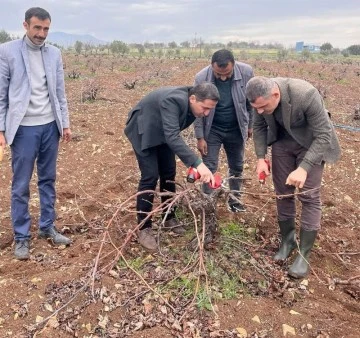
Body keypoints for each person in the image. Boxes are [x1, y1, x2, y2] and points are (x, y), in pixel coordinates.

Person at [245, 76, 341, 278]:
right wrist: (261, 158)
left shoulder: (305, 94)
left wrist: (304, 168)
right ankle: (288, 241)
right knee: (283, 193)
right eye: (256, 108)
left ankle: (304, 254)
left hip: (311, 143)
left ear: (276, 94)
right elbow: (260, 127)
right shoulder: (259, 101)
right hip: (282, 142)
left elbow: (324, 134)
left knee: (309, 196)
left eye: (263, 107)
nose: (259, 111)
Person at [0, 7, 72, 260]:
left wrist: (64, 123)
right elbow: (1, 94)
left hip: (49, 127)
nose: (42, 34)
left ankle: (47, 227)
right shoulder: (7, 51)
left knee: (48, 180)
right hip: (22, 130)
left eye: (46, 29)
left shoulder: (54, 54)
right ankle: (21, 236)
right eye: (37, 28)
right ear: (25, 25)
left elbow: (60, 92)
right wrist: (1, 128)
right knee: (21, 185)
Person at [124, 83, 219, 251]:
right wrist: (198, 164)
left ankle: (169, 218)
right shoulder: (173, 100)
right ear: (193, 99)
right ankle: (144, 228)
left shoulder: (194, 103)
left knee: (168, 173)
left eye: (210, 110)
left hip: (163, 132)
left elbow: (171, 133)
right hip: (143, 129)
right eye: (204, 108)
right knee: (150, 176)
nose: (206, 113)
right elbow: (173, 136)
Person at [194, 49, 254, 212]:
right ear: (211, 66)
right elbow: (197, 111)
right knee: (209, 165)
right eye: (218, 73)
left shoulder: (247, 73)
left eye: (226, 73)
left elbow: (251, 103)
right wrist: (200, 137)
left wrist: (250, 125)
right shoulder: (201, 77)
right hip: (211, 129)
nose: (222, 77)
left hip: (236, 128)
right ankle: (208, 202)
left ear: (234, 65)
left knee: (237, 166)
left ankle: (235, 201)